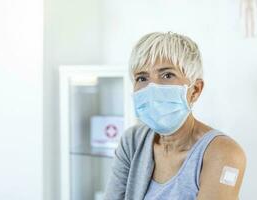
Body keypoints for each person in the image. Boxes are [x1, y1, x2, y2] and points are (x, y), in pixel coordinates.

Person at [104, 32, 246, 200]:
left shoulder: (223, 152)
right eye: (142, 78)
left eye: (167, 75)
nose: (152, 88)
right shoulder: (133, 141)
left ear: (195, 90)